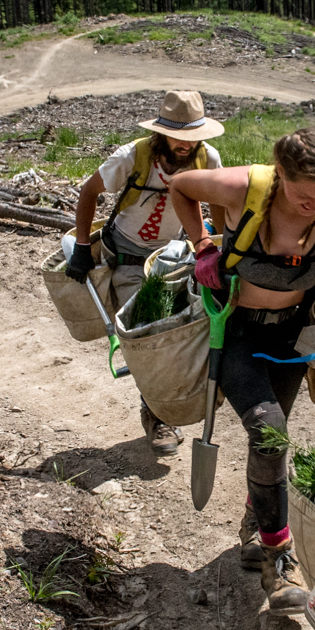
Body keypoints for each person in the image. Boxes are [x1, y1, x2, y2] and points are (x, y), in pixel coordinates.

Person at [169, 128, 315, 614]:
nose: (314, 207)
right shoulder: (245, 188)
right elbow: (181, 185)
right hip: (236, 330)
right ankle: (277, 559)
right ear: (280, 174)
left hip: (291, 335)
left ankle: (257, 520)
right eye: (303, 195)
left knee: (272, 436)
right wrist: (203, 244)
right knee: (270, 434)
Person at [65, 90, 225, 455]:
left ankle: (171, 401)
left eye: (191, 137)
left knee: (178, 329)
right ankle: (156, 415)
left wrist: (219, 252)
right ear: (160, 132)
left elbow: (218, 206)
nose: (185, 145)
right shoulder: (133, 156)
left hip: (170, 253)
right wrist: (80, 247)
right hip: (126, 253)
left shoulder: (206, 158)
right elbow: (89, 192)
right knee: (148, 332)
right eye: (177, 137)